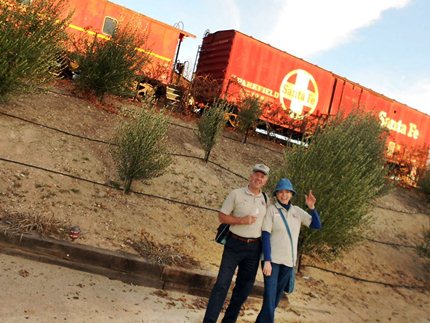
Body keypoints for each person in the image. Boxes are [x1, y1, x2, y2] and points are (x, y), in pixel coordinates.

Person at [203, 163, 270, 323]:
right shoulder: (236, 194)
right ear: (250, 176)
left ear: (265, 180)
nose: (258, 178)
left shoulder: (266, 199)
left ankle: (229, 320)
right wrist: (241, 220)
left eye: (262, 176)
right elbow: (222, 216)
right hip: (234, 245)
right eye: (256, 174)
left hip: (254, 248)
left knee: (243, 288)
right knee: (222, 284)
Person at [256, 178, 322, 323]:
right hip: (271, 262)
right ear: (276, 194)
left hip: (288, 262)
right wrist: (266, 260)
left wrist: (311, 207)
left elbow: (316, 226)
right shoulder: (271, 210)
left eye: (287, 192)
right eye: (281, 192)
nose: (284, 195)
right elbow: (265, 236)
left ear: (292, 194)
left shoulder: (297, 211)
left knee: (273, 302)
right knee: (269, 297)